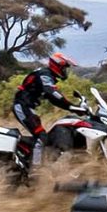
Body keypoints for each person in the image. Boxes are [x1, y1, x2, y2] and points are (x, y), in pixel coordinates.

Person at [10, 51, 76, 180]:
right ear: (57, 66)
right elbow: (52, 93)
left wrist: (72, 108)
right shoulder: (45, 74)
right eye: (64, 68)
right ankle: (35, 169)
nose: (65, 71)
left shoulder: (47, 75)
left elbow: (53, 100)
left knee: (42, 136)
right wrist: (71, 106)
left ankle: (29, 157)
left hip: (27, 107)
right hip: (22, 106)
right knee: (41, 135)